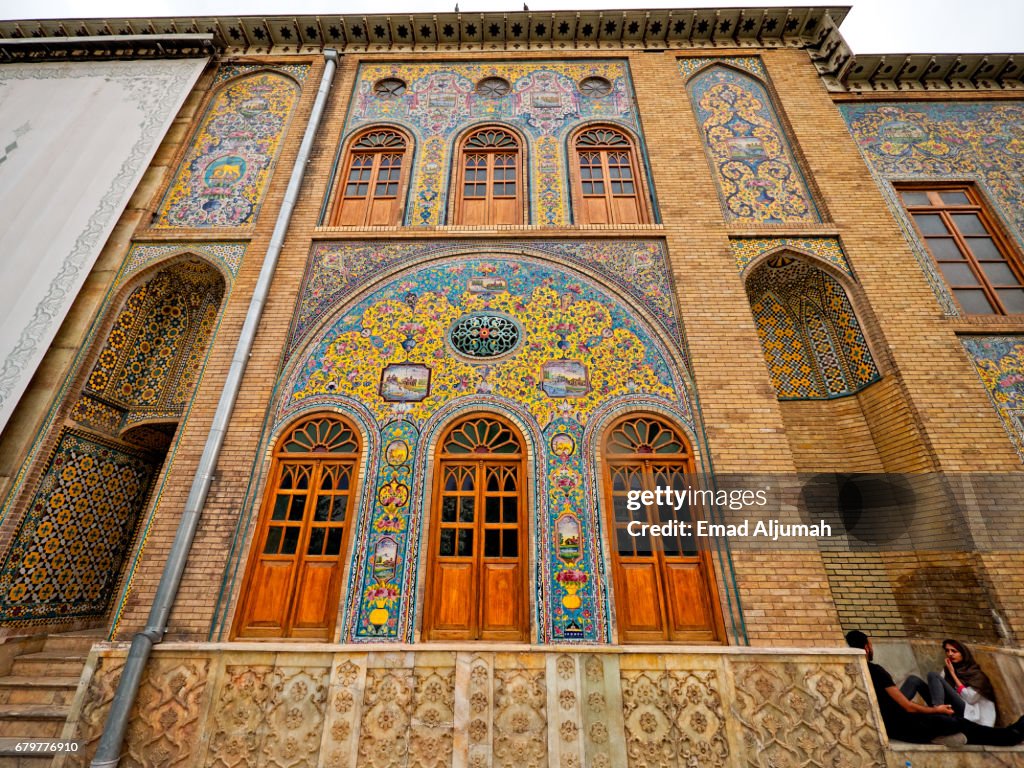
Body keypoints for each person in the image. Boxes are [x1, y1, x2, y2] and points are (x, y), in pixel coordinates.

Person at [845, 630, 1024, 746]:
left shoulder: (854, 672)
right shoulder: (876, 671)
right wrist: (934, 710)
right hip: (909, 727)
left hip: (895, 728)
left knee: (962, 727)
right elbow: (906, 706)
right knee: (962, 724)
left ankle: (1004, 734)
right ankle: (1010, 736)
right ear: (867, 648)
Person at [902, 639, 997, 726]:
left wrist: (953, 674)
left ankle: (939, 718)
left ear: (963, 654)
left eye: (954, 651)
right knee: (913, 680)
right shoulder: (946, 671)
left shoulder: (976, 675)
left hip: (970, 714)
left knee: (933, 675)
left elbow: (970, 699)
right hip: (949, 709)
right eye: (947, 651)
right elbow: (937, 694)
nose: (950, 654)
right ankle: (894, 711)